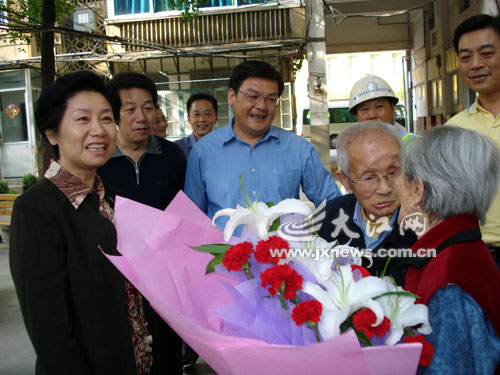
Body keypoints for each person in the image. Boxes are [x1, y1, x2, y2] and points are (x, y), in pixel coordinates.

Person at [9, 71, 152, 374]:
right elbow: (49, 330)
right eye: (83, 119)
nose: (99, 130)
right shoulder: (36, 210)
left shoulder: (115, 199)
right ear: (52, 133)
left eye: (105, 118)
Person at [185, 60, 341, 231]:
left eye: (271, 99)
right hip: (224, 256)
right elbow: (192, 217)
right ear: (231, 96)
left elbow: (333, 205)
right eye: (253, 97)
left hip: (284, 255)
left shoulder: (298, 149)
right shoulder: (204, 151)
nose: (261, 106)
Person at [98, 72, 185, 374]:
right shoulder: (100, 160)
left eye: (148, 108)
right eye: (131, 109)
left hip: (165, 281)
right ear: (115, 115)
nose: (141, 117)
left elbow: (186, 214)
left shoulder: (172, 156)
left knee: (166, 356)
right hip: (115, 279)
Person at [394, 126, 500, 374]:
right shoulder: (461, 251)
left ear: (417, 190)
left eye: (397, 173)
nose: (391, 185)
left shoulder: (447, 278)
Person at [317, 121, 416, 283]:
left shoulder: (422, 223)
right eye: (368, 178)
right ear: (345, 182)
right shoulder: (329, 218)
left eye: (393, 172)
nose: (384, 189)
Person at [447, 14, 500, 261]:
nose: (475, 64)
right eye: (466, 57)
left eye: (487, 53)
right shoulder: (452, 131)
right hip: (476, 256)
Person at [349, 75, 416, 143]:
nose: (373, 115)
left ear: (392, 108)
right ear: (357, 115)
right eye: (365, 109)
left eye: (379, 106)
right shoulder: (351, 148)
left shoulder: (415, 145)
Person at [175, 93, 218, 158]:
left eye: (207, 114)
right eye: (196, 114)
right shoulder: (177, 148)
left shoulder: (224, 146)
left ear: (216, 118)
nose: (202, 119)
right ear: (189, 119)